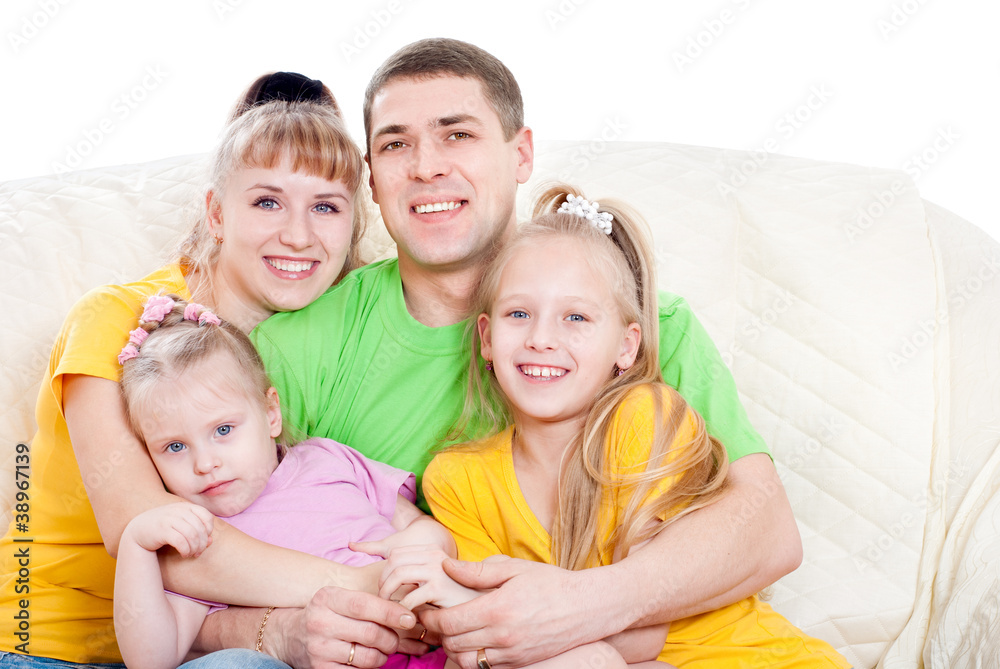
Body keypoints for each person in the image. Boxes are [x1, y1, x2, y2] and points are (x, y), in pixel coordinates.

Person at [243, 38, 802, 668]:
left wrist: (580, 608)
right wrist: (269, 631)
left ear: (522, 153)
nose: (427, 167)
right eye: (396, 143)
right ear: (372, 175)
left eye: (457, 134)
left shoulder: (647, 321)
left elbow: (767, 531)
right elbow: (194, 535)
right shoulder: (298, 348)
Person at [0, 75, 422, 667]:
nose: (297, 235)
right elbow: (155, 538)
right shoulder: (114, 319)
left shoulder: (317, 348)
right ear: (216, 212)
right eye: (267, 201)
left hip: (190, 643)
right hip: (44, 644)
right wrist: (382, 592)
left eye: (325, 206)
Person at [375, 186, 850, 668]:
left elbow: (642, 631)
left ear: (626, 348)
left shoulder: (642, 421)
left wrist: (492, 626)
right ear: (486, 338)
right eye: (519, 314)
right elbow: (482, 642)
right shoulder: (458, 480)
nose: (541, 339)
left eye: (575, 317)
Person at [113, 296, 454, 669]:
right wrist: (136, 544)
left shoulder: (328, 460)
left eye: (223, 430)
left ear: (270, 413)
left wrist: (415, 555)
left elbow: (424, 527)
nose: (205, 463)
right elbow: (150, 660)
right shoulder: (196, 537)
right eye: (175, 446)